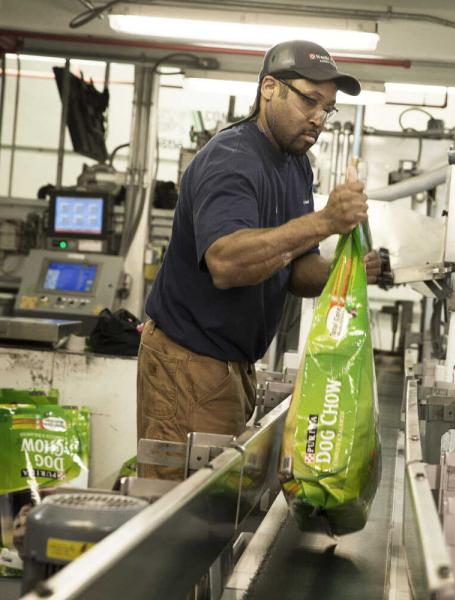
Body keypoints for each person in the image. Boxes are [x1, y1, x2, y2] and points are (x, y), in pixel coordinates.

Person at [137, 40, 381, 479]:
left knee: (215, 511)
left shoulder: (296, 166)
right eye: (310, 101)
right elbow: (228, 264)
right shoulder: (232, 159)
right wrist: (325, 220)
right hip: (190, 364)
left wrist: (347, 273)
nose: (319, 119)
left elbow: (295, 269)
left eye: (329, 109)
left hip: (234, 367)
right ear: (270, 88)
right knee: (180, 515)